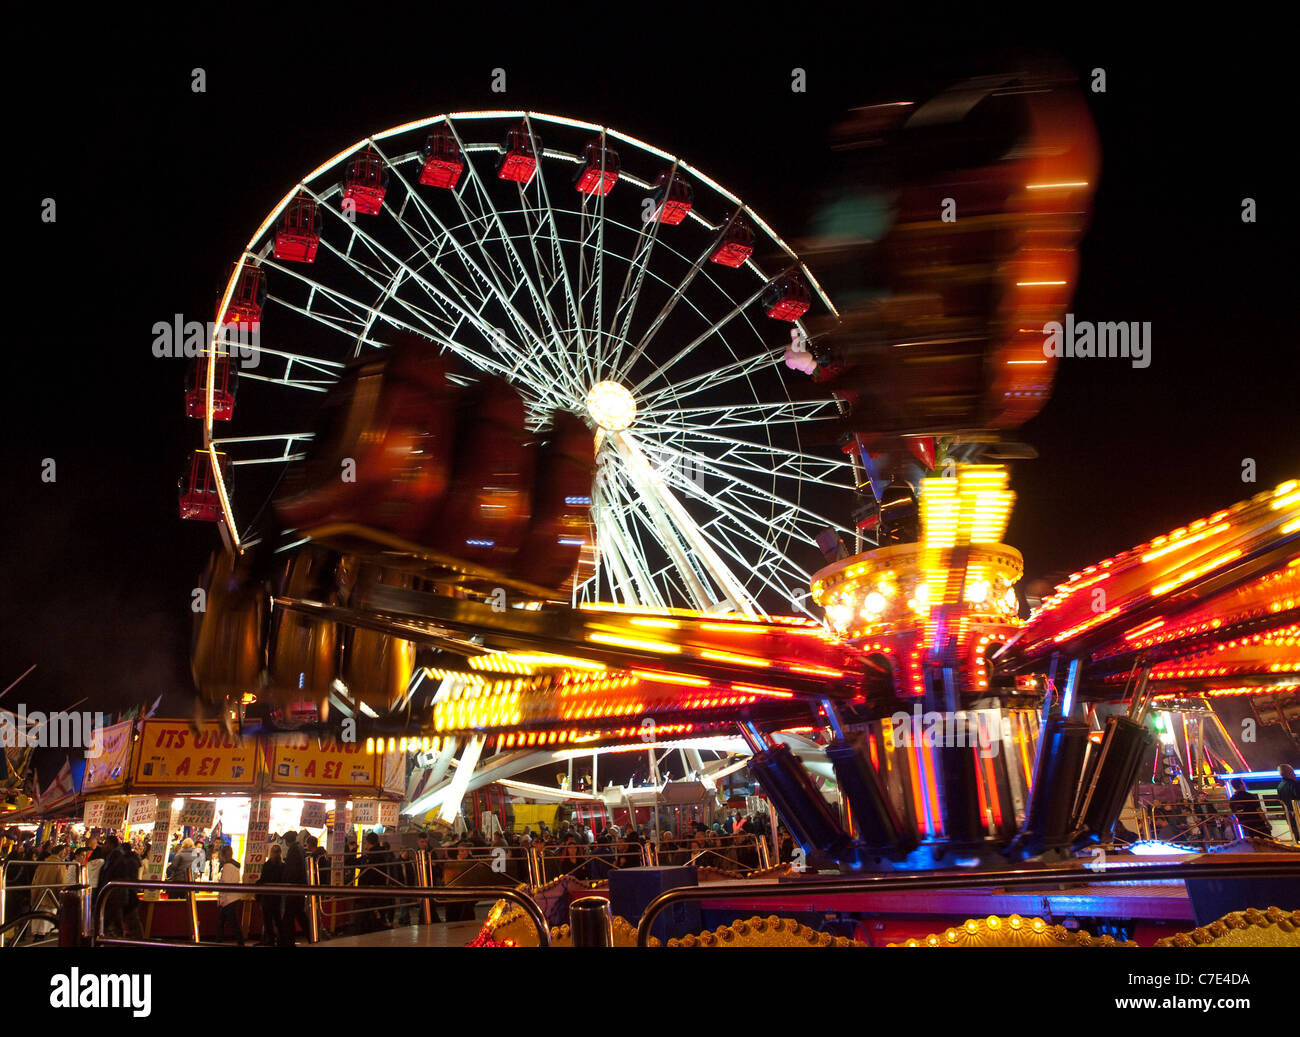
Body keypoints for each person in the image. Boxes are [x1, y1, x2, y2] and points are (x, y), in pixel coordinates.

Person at [279, 830, 309, 946]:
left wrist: (286, 882)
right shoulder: (301, 849)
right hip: (299, 887)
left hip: (293, 888)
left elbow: (291, 871)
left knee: (289, 916)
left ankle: (288, 942)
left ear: (287, 841)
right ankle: (311, 936)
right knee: (299, 915)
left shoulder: (293, 851)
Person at [255, 844, 286, 946]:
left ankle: (270, 939)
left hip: (268, 896)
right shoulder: (282, 866)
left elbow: (263, 879)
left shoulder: (267, 865)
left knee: (268, 920)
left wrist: (257, 888)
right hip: (277, 896)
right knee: (277, 920)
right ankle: (281, 940)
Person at [216, 845, 246, 946]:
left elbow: (225, 883)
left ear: (223, 855)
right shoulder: (235, 866)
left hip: (228, 898)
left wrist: (221, 899)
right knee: (225, 921)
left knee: (231, 922)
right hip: (234, 896)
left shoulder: (227, 866)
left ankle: (239, 941)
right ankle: (220, 940)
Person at [1276, 764, 1300, 842]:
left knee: (1297, 836)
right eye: (1293, 772)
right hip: (1298, 814)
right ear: (1289, 773)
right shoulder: (1294, 784)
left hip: (1289, 816)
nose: (1295, 774)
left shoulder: (1280, 786)